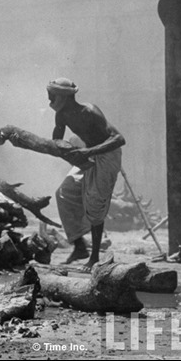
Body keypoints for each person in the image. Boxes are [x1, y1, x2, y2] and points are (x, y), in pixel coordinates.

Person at [46, 77, 125, 271]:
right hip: (87, 152)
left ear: (64, 96)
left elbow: (119, 138)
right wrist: (62, 149)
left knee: (95, 202)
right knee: (64, 192)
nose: (49, 99)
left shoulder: (89, 111)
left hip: (107, 155)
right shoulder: (62, 114)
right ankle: (80, 247)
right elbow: (57, 139)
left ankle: (95, 257)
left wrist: (87, 152)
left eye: (52, 95)